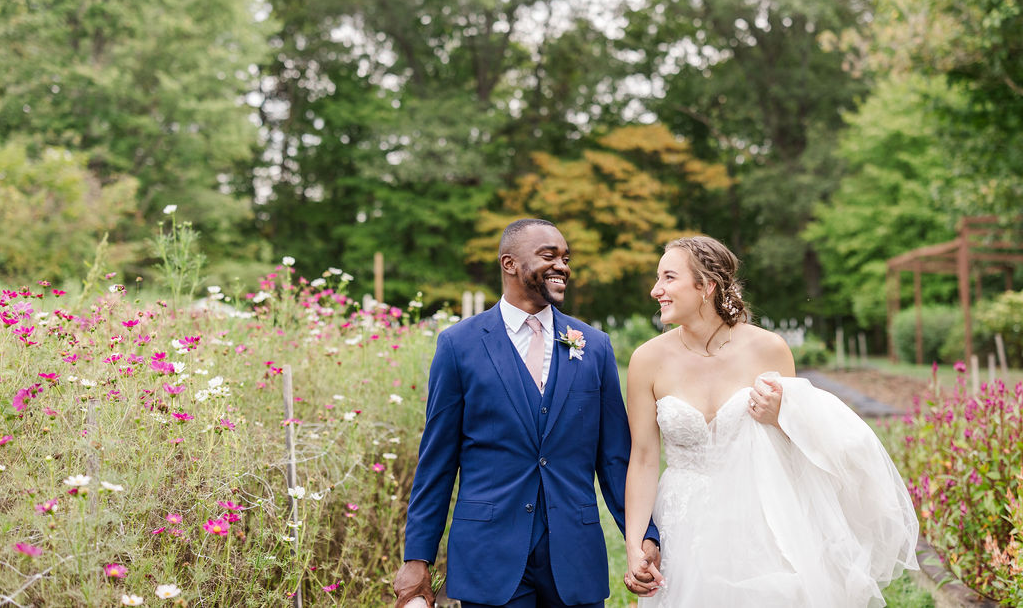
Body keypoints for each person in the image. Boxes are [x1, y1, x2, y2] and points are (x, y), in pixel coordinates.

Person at [623, 236, 919, 607]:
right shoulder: (646, 360)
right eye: (657, 278)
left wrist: (782, 418)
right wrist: (634, 544)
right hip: (683, 520)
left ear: (706, 286)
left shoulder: (769, 349)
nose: (656, 290)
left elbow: (800, 453)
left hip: (760, 517)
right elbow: (644, 459)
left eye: (668, 278)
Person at [393, 218, 662, 608]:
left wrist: (643, 537)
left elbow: (616, 458)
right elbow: (437, 459)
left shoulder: (596, 347)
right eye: (548, 255)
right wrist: (417, 557)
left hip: (574, 555)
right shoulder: (459, 345)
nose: (563, 266)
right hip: (489, 555)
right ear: (510, 264)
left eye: (566, 258)